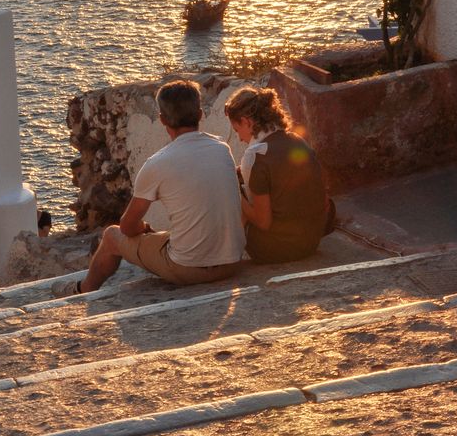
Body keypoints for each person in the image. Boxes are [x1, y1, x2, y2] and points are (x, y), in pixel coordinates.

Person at [55, 80, 245, 296]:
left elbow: (127, 227)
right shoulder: (222, 149)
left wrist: (142, 229)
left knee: (111, 236)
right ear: (200, 114)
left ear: (162, 119)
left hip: (190, 269)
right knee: (172, 235)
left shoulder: (158, 163)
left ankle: (82, 290)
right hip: (232, 261)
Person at [224, 86, 332, 263]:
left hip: (276, 251)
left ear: (246, 122)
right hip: (311, 242)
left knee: (231, 190)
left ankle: (226, 255)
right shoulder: (298, 141)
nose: (239, 138)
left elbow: (263, 222)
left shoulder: (255, 156)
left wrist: (234, 191)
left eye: (237, 130)